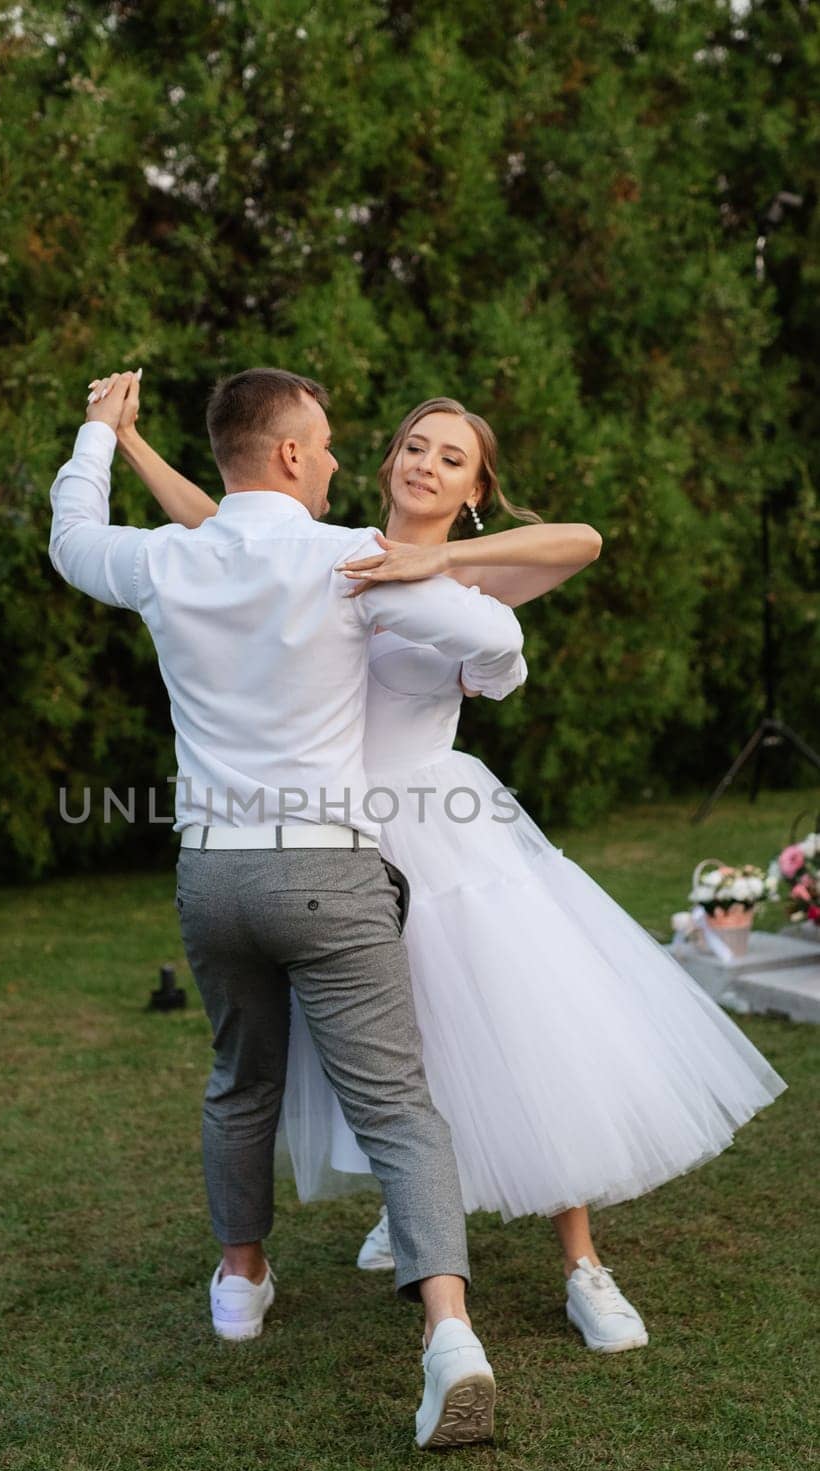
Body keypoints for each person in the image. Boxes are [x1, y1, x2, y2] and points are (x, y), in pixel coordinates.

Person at [110, 381, 788, 1357]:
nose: (427, 463)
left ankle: (583, 1264)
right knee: (398, 1052)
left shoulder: (473, 576)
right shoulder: (324, 553)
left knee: (518, 1036)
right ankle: (416, 1207)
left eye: (453, 457)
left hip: (447, 830)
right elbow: (216, 525)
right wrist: (129, 441)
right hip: (336, 839)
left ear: (474, 489)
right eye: (415, 447)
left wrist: (442, 559)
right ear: (384, 462)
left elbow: (584, 540)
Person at [49, 366, 531, 1449]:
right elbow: (498, 649)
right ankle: (450, 1338)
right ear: (286, 455)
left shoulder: (170, 559)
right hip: (330, 873)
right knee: (400, 1108)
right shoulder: (346, 558)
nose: (333, 458)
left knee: (239, 1080)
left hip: (214, 878)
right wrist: (444, 592)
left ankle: (240, 1282)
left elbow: (74, 541)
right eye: (320, 442)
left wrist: (98, 436)